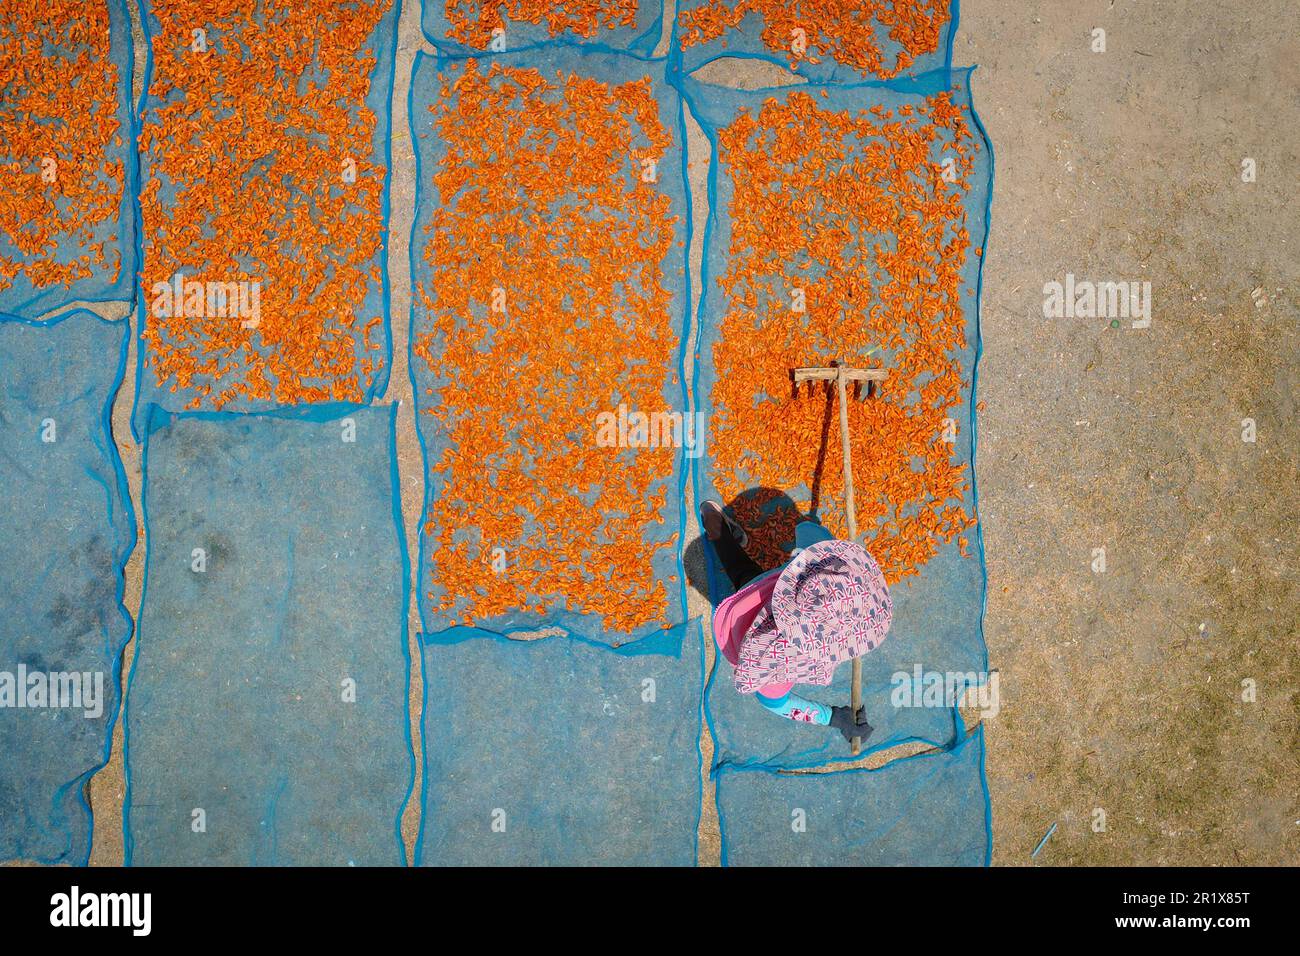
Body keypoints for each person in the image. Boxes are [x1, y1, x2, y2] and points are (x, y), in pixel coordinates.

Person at [700, 499, 890, 745]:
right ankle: (717, 529)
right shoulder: (779, 658)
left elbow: (810, 536)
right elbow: (775, 703)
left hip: (760, 593)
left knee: (744, 573)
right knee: (742, 574)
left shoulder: (811, 579)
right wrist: (833, 717)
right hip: (741, 626)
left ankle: (717, 526)